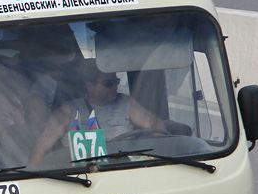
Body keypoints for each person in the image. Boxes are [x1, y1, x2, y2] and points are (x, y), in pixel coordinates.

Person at [28, 61, 169, 164]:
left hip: (125, 170)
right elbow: (40, 148)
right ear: (90, 86)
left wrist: (158, 156)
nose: (115, 87)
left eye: (116, 81)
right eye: (109, 83)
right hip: (84, 176)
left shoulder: (126, 102)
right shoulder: (68, 111)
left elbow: (155, 123)